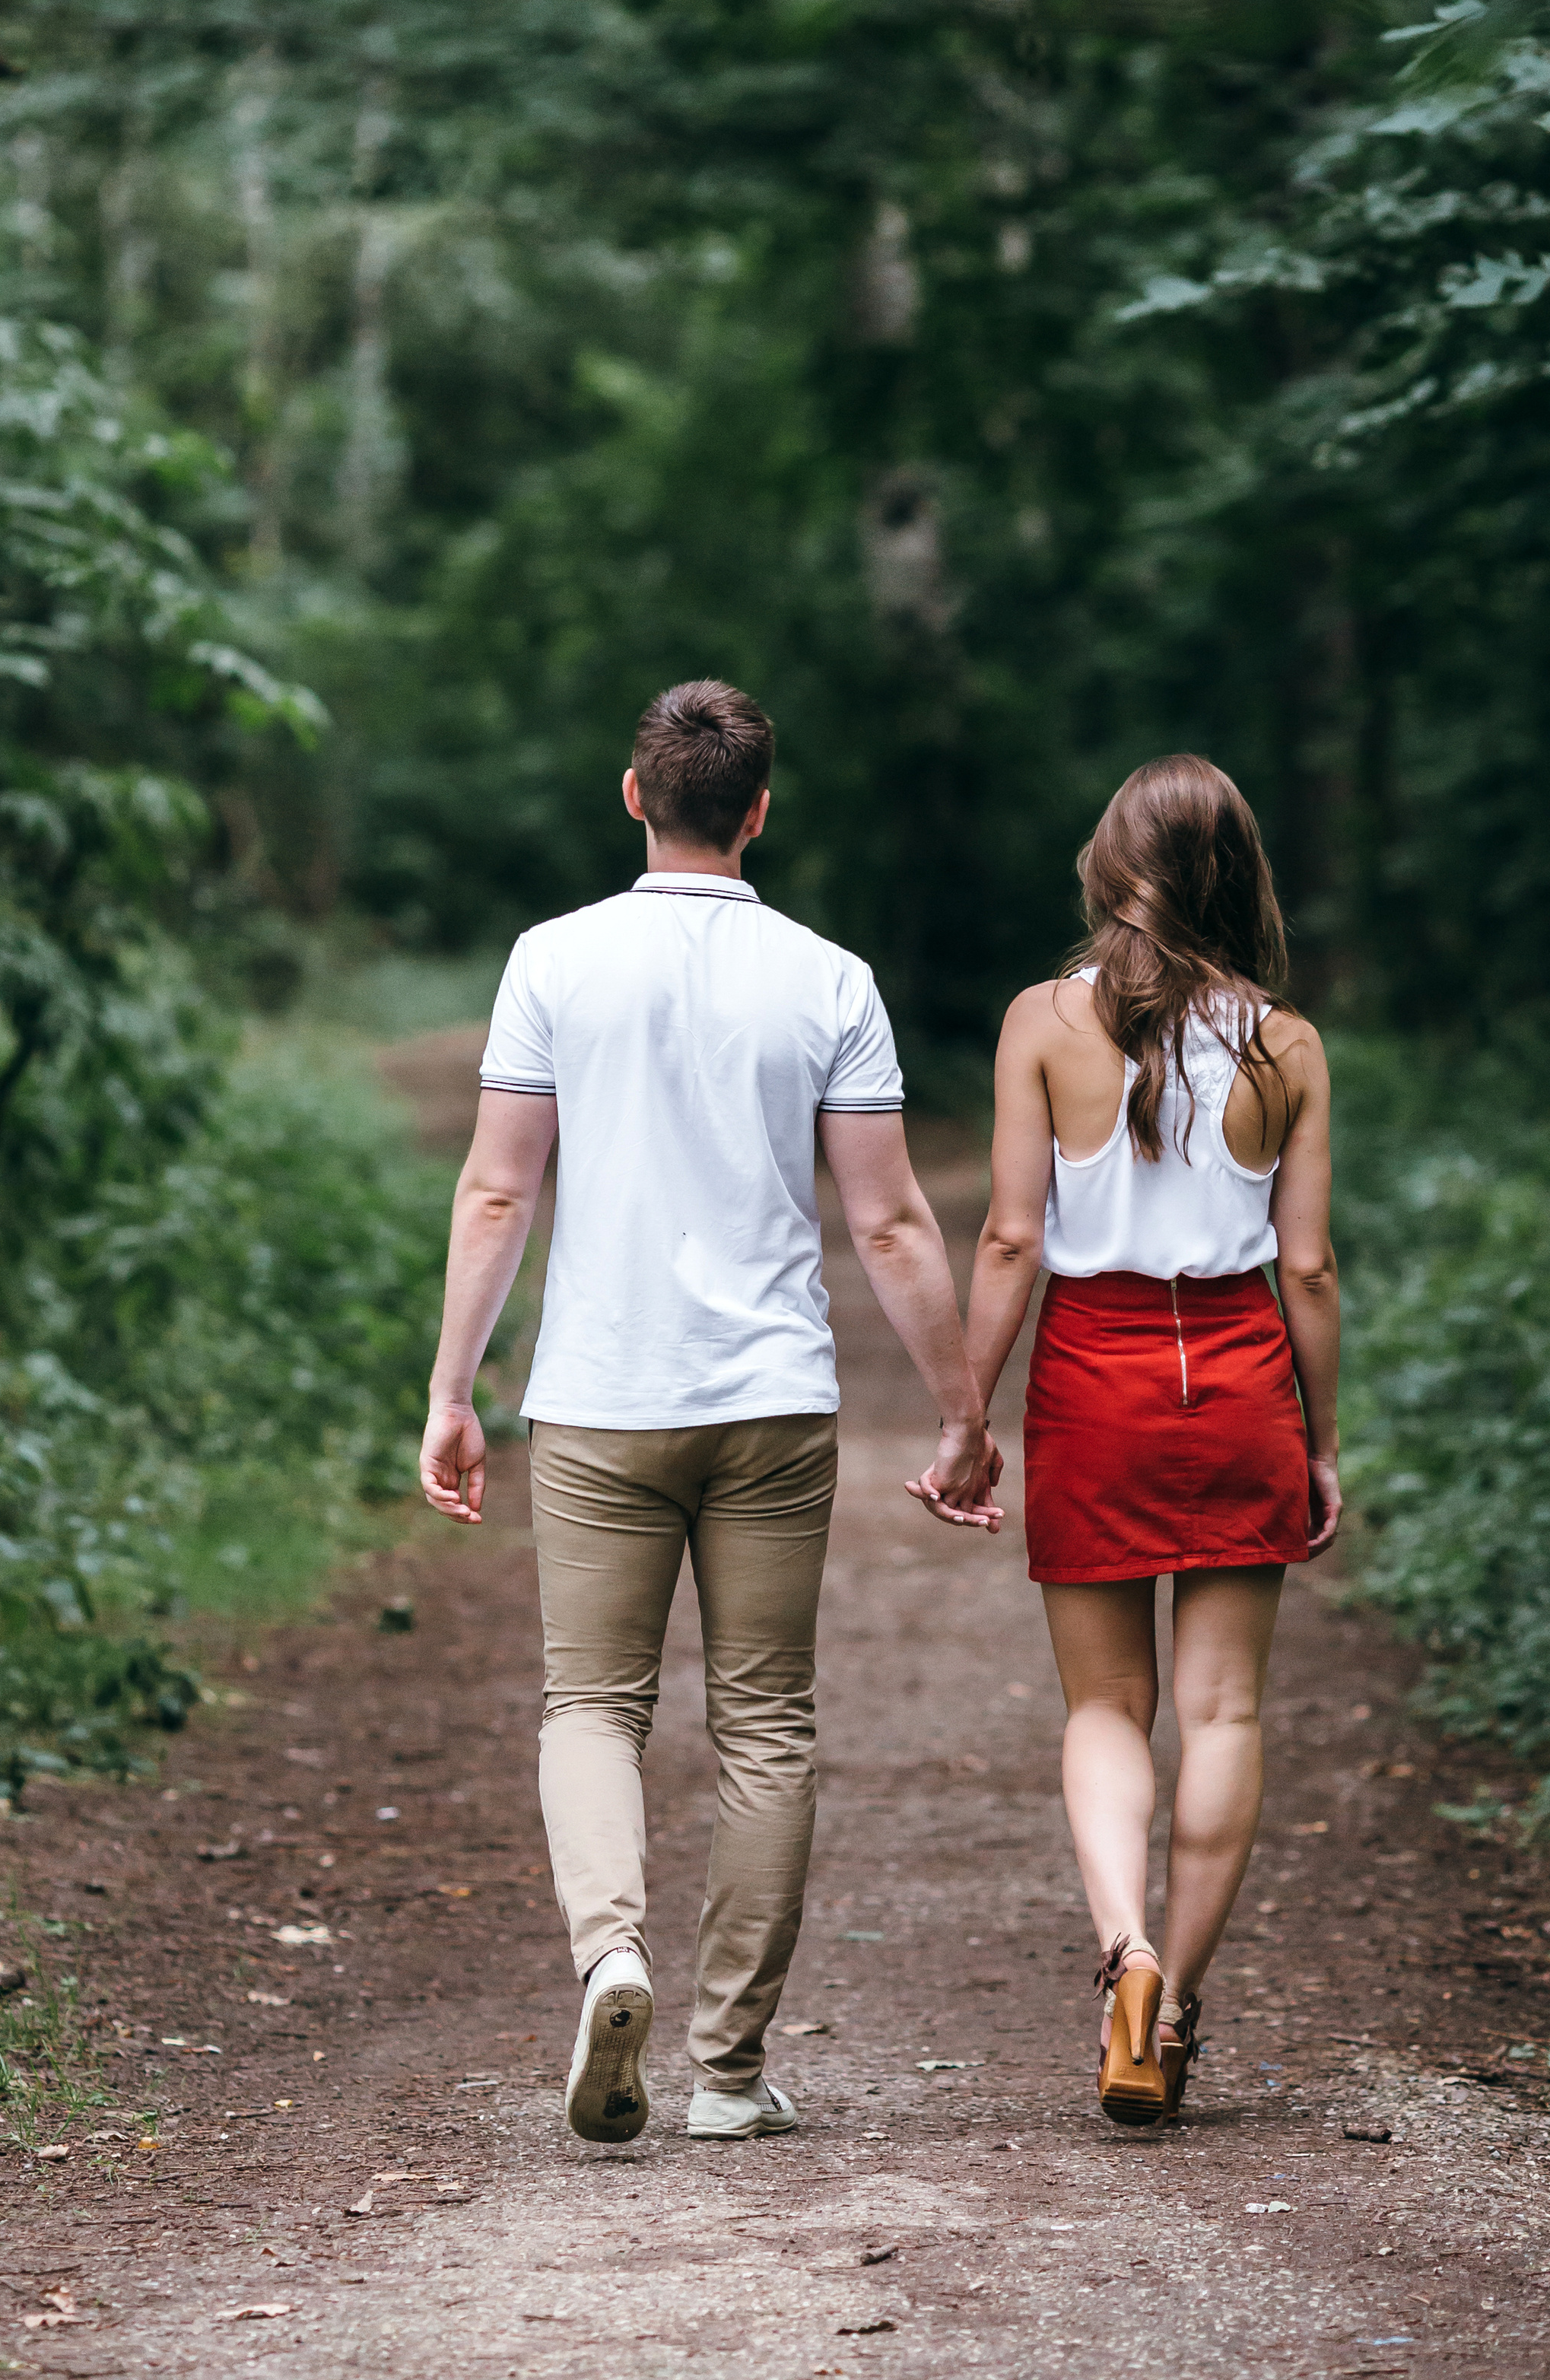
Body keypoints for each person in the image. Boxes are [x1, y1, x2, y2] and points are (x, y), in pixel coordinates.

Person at [418, 679, 1001, 2150]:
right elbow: (889, 1226)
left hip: (602, 1398)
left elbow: (500, 1187)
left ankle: (611, 1955)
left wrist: (453, 1390)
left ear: (633, 796)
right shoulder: (830, 979)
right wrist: (963, 1412)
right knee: (765, 1723)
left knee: (589, 1704)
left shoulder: (553, 961)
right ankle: (729, 2074)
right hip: (771, 1406)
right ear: (759, 809)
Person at [960, 754, 1339, 2128]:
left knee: (1107, 1708)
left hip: (1094, 1379)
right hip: (1240, 1379)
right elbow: (1308, 1271)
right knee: (1226, 1710)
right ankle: (1173, 2004)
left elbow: (1011, 1236)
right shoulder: (1285, 1044)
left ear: (1110, 868)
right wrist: (1321, 1439)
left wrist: (966, 1415)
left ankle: (1118, 1945)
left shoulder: (1042, 1024)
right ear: (1238, 876)